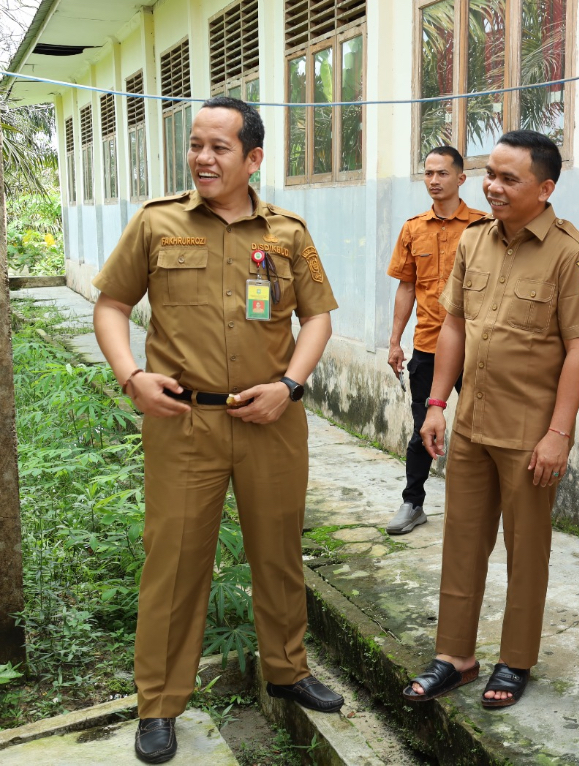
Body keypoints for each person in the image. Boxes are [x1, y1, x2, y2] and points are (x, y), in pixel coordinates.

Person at [92, 96, 344, 764]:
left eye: (218, 147)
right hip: (183, 422)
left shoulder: (287, 232)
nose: (202, 158)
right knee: (174, 562)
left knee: (279, 551)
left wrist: (290, 385)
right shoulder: (158, 223)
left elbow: (318, 317)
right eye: (196, 145)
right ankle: (159, 704)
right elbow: (112, 304)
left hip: (272, 420)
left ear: (252, 157)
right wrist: (131, 376)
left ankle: (287, 670)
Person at [402, 130, 579, 709]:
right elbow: (454, 325)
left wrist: (558, 434)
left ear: (544, 189)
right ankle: (454, 657)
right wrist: (437, 404)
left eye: (508, 178)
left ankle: (516, 660)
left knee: (526, 550)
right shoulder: (474, 240)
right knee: (461, 542)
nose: (492, 186)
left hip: (530, 435)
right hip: (472, 423)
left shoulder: (572, 253)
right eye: (489, 174)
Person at [385, 146, 486, 535]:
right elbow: (406, 287)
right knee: (422, 430)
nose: (434, 180)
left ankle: (481, 506)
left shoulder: (483, 227)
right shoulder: (413, 229)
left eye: (442, 173)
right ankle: (413, 503)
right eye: (428, 173)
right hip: (428, 347)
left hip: (475, 348)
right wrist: (395, 341)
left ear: (461, 178)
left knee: (482, 429)